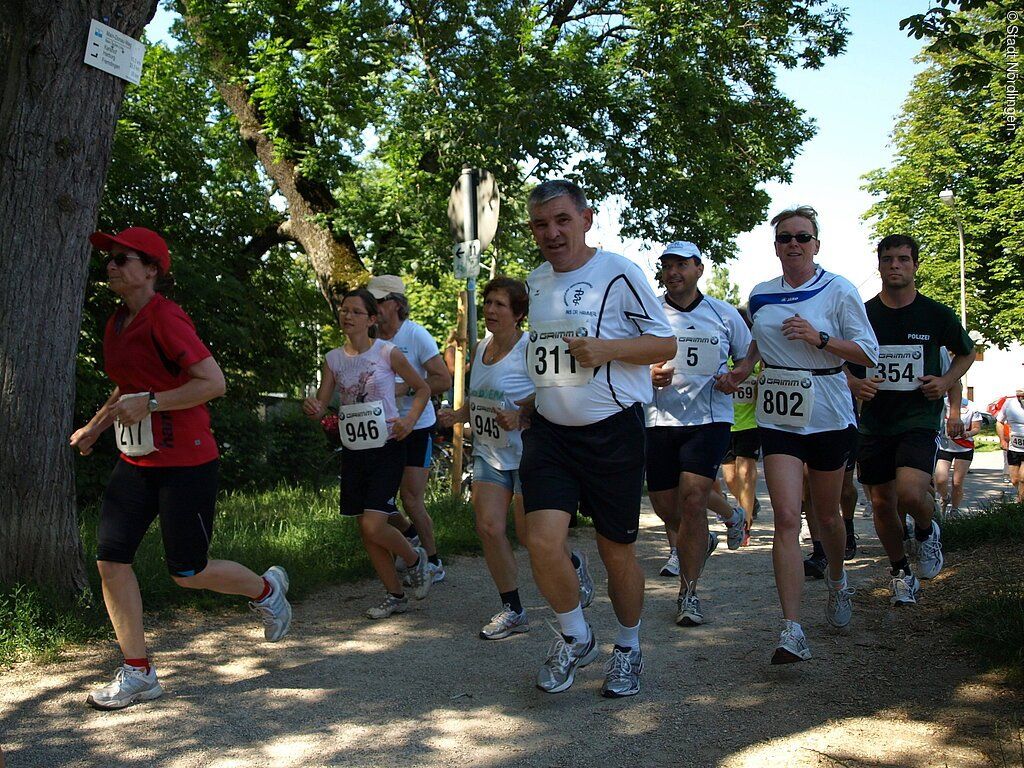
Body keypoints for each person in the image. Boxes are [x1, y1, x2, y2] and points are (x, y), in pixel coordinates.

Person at [70, 227, 292, 710]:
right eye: (109, 258)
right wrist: (96, 427)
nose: (111, 265)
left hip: (187, 462)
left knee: (187, 572)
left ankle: (266, 589)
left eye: (123, 258)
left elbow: (213, 382)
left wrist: (150, 403)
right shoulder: (116, 324)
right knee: (111, 559)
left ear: (151, 270)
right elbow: (125, 387)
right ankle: (138, 671)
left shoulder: (165, 319)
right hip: (136, 461)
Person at [518, 180, 675, 697]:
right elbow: (546, 356)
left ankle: (628, 646)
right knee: (540, 539)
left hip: (613, 432)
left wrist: (607, 349)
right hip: (550, 434)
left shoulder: (618, 271)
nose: (552, 233)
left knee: (616, 554)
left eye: (562, 220)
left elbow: (664, 341)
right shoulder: (535, 282)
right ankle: (575, 635)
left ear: (586, 218)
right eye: (541, 224)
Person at [718, 205, 878, 664]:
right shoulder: (762, 294)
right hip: (779, 413)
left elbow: (867, 352)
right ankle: (791, 628)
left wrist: (820, 339)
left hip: (828, 409)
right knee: (787, 517)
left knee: (825, 516)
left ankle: (838, 582)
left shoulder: (839, 290)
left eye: (801, 237)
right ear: (775, 246)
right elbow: (756, 342)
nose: (793, 244)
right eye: (785, 237)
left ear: (816, 245)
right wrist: (744, 368)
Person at [846, 235, 975, 607]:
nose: (895, 266)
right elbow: (840, 361)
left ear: (915, 265)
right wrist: (855, 383)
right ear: (880, 265)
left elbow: (965, 354)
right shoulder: (864, 315)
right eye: (888, 260)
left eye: (903, 259)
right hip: (874, 423)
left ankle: (925, 529)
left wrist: (946, 381)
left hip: (918, 417)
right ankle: (901, 573)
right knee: (883, 504)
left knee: (910, 492)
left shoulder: (935, 314)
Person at [303, 288, 434, 617]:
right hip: (354, 450)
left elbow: (423, 388)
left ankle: (417, 561)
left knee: (375, 525)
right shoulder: (333, 359)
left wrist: (409, 420)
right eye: (344, 310)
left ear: (372, 319)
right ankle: (395, 595)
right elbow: (323, 404)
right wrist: (314, 407)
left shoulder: (387, 353)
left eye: (355, 311)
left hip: (387, 446)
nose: (347, 316)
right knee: (367, 530)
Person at [645, 241, 751, 627]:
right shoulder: (647, 312)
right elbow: (623, 360)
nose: (673, 272)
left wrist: (737, 375)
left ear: (699, 269)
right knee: (668, 509)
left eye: (681, 265)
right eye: (667, 266)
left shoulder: (723, 314)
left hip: (708, 420)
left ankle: (688, 594)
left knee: (692, 499)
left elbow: (749, 353)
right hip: (656, 420)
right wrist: (646, 374)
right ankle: (722, 519)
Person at [436, 277, 539, 639]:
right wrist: (459, 415)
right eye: (489, 303)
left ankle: (573, 564)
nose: (492, 311)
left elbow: (550, 394)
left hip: (529, 454)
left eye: (500, 305)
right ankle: (513, 609)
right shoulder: (480, 348)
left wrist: (522, 415)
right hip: (489, 454)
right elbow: (483, 398)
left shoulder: (531, 348)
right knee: (489, 527)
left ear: (519, 313)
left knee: (531, 537)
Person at [368, 276, 453, 583]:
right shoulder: (370, 337)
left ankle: (433, 562)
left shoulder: (416, 335)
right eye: (371, 301)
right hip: (381, 428)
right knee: (377, 500)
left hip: (417, 426)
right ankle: (410, 537)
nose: (374, 307)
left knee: (411, 498)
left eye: (379, 301)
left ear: (397, 304)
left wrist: (407, 388)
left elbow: (443, 379)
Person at [720, 305, 761, 539]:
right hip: (727, 422)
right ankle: (749, 502)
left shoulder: (757, 359)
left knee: (745, 472)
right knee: (730, 478)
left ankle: (745, 526)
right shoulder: (725, 357)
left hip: (751, 423)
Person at [934, 395, 983, 516]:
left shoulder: (971, 406)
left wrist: (969, 433)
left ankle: (954, 510)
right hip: (945, 447)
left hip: (964, 448)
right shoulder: (941, 403)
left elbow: (977, 427)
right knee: (940, 479)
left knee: (957, 482)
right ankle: (945, 497)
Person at [997, 388, 1024, 502]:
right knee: (1015, 480)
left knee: (1023, 478)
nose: (1021, 398)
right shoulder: (1009, 404)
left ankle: (1020, 504)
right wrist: (1002, 440)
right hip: (1014, 447)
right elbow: (999, 422)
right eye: (1019, 396)